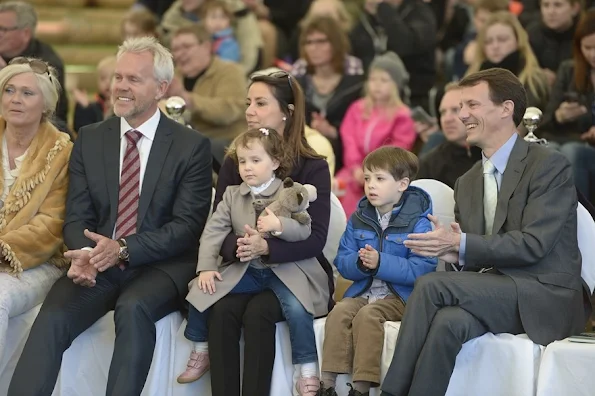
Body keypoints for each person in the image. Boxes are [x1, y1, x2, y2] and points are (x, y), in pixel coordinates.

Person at [8, 36, 213, 396]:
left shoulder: (190, 146)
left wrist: (122, 249)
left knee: (133, 309)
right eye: (118, 77)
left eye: (134, 79)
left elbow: (185, 228)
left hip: (160, 264)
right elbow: (76, 215)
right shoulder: (89, 138)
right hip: (97, 261)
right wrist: (82, 253)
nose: (121, 86)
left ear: (161, 87)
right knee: (53, 317)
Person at [380, 67, 587, 396]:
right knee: (449, 323)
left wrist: (462, 244)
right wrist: (455, 254)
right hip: (495, 291)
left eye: (472, 105)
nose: (462, 115)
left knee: (431, 285)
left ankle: (390, 392)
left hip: (544, 294)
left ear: (506, 108)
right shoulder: (467, 182)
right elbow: (476, 258)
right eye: (461, 107)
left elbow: (534, 245)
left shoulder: (550, 165)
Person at [207, 70, 333, 396]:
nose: (250, 110)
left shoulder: (313, 166)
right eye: (248, 102)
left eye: (260, 103)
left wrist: (267, 249)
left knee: (259, 312)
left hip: (297, 271)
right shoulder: (237, 161)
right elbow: (217, 226)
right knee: (221, 311)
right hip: (244, 267)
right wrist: (242, 247)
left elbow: (316, 238)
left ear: (287, 112)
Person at [178, 128, 329, 395]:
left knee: (296, 307)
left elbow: (305, 231)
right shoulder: (233, 195)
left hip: (283, 271)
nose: (247, 168)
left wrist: (279, 225)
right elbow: (213, 231)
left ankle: (306, 369)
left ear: (275, 162)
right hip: (247, 270)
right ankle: (201, 348)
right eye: (243, 161)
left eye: (256, 161)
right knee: (201, 290)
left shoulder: (288, 192)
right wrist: (207, 267)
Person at [319, 146, 437, 396]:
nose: (371, 185)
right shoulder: (359, 217)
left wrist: (381, 262)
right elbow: (342, 260)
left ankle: (360, 388)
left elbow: (422, 270)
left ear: (402, 184)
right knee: (340, 310)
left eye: (380, 179)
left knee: (369, 315)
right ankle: (327, 384)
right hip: (364, 289)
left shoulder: (419, 221)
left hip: (401, 297)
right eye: (367, 178)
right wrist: (361, 264)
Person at [0, 57, 72, 360]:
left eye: (27, 93)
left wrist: (4, 248)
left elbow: (52, 224)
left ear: (46, 104)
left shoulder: (62, 151)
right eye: (9, 90)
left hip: (35, 261)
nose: (15, 99)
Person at [334, 52, 415, 217]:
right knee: (336, 199)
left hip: (383, 175)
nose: (377, 85)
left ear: (395, 84)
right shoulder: (357, 108)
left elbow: (396, 151)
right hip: (352, 173)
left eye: (384, 80)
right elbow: (349, 139)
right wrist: (356, 168)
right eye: (373, 79)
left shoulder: (403, 115)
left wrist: (371, 172)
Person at [168, 24, 246, 168]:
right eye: (176, 49)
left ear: (206, 47)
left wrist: (186, 98)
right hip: (186, 143)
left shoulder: (230, 71)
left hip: (225, 143)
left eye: (186, 46)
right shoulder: (173, 76)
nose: (179, 54)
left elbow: (228, 113)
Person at [0, 1, 67, 124]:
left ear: (25, 33)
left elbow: (51, 117)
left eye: (3, 29)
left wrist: (4, 74)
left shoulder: (48, 64)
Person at [417, 82, 482, 188]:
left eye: (455, 110)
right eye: (443, 112)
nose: (447, 119)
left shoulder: (496, 154)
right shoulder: (429, 165)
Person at [71, 55, 116, 132]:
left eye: (113, 78)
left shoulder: (123, 106)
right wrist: (84, 108)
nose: (107, 83)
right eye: (103, 78)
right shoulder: (95, 106)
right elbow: (81, 129)